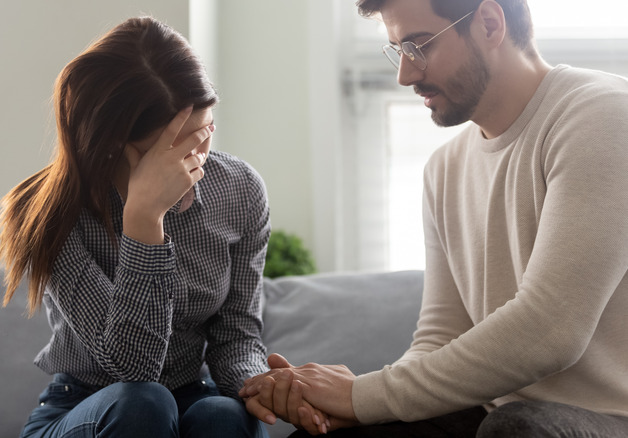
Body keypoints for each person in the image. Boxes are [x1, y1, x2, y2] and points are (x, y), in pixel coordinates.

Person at [239, 0, 628, 436]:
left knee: (516, 428)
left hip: (608, 418)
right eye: (398, 51)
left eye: (419, 46)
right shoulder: (445, 168)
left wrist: (360, 395)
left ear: (489, 22)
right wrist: (353, 410)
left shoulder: (604, 116)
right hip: (495, 413)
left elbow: (552, 328)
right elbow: (438, 337)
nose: (405, 74)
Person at [0, 16, 272, 438]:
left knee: (224, 414)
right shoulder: (46, 210)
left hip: (193, 394)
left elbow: (236, 336)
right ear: (113, 143)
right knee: (144, 402)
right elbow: (134, 368)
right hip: (89, 406)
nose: (197, 156)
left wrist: (258, 384)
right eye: (173, 147)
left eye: (204, 131)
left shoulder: (239, 190)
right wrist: (144, 220)